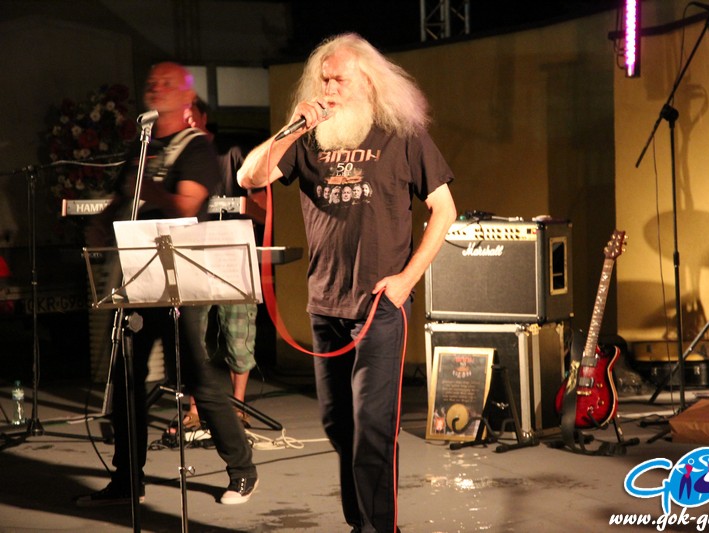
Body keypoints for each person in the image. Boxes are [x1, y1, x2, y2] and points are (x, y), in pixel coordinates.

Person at [237, 33, 457, 533]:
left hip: (380, 305)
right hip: (325, 305)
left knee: (373, 429)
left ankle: (378, 528)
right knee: (339, 425)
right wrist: (292, 129)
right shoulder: (309, 138)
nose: (329, 88)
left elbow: (444, 210)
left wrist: (406, 280)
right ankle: (361, 522)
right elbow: (250, 178)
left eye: (340, 79)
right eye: (324, 79)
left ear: (369, 83)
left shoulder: (402, 134)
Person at [77, 62, 258, 507]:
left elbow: (187, 207)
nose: (155, 88)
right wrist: (101, 224)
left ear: (186, 97)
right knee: (128, 381)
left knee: (197, 378)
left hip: (177, 282)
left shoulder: (195, 148)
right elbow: (123, 198)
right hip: (137, 277)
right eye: (151, 82)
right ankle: (127, 481)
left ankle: (242, 470)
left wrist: (152, 192)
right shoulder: (142, 146)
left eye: (166, 83)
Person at [181, 97, 264, 430]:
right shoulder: (178, 161)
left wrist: (241, 205)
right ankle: (195, 409)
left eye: (190, 118)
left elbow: (264, 209)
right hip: (191, 256)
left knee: (239, 334)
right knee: (192, 337)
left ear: (203, 118)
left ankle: (238, 407)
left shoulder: (232, 155)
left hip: (233, 256)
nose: (186, 125)